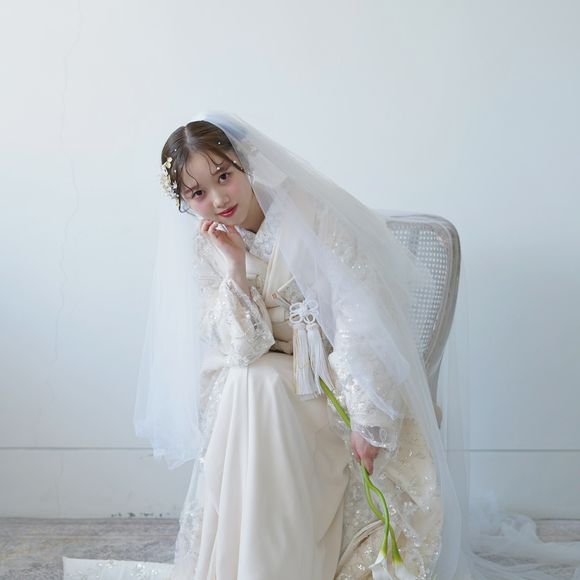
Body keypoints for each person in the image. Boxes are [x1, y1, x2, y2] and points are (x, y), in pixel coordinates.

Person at [63, 112, 580, 579]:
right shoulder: (209, 245)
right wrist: (234, 268)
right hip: (264, 391)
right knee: (252, 381)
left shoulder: (309, 217)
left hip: (336, 381)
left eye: (224, 176)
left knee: (258, 386)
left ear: (246, 164)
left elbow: (360, 319)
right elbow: (242, 349)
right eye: (198, 193)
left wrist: (367, 417)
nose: (218, 199)